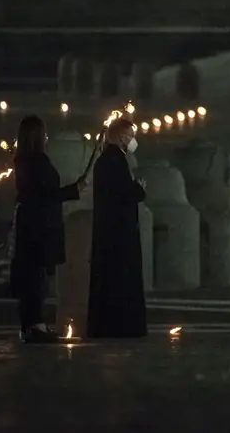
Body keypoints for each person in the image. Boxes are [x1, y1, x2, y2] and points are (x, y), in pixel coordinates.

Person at [10, 115, 85, 344]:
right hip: (40, 225)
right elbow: (46, 195)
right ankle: (36, 326)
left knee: (32, 276)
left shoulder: (23, 160)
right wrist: (74, 189)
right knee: (36, 278)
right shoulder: (38, 161)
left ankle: (31, 325)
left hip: (30, 223)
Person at [87, 118, 148, 339]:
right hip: (120, 232)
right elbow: (124, 194)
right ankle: (123, 327)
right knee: (122, 280)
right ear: (122, 136)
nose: (133, 140)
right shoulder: (117, 161)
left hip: (106, 230)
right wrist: (139, 189)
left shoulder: (103, 161)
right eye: (131, 135)